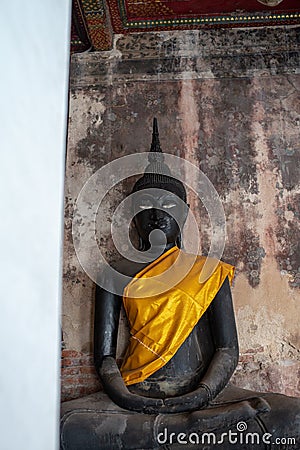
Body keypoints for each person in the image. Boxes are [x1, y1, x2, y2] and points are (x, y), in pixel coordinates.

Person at [61, 119, 300, 450]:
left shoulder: (206, 270)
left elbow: (227, 349)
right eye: (146, 207)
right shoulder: (113, 273)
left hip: (202, 395)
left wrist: (201, 393)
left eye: (168, 206)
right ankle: (178, 428)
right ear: (134, 217)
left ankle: (179, 425)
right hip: (135, 394)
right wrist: (131, 400)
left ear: (184, 216)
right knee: (60, 423)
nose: (158, 215)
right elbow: (105, 358)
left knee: (293, 417)